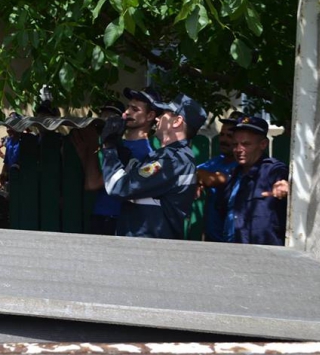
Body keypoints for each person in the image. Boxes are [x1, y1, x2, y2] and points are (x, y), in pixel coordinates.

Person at [101, 93, 207, 239]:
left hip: (148, 250)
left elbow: (120, 187)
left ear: (177, 122)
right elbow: (137, 181)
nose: (157, 118)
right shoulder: (172, 158)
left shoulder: (171, 161)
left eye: (163, 114)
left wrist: (109, 147)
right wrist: (119, 146)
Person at [71, 89, 159, 235]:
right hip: (101, 216)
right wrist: (85, 154)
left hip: (116, 221)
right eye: (128, 107)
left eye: (135, 109)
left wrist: (93, 146)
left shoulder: (143, 153)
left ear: (150, 116)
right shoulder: (118, 144)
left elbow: (93, 183)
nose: (127, 113)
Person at [217, 116, 289, 245]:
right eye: (235, 144)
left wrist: (285, 185)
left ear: (263, 144)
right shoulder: (234, 174)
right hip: (231, 251)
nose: (239, 149)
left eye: (246, 144)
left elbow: (282, 178)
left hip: (263, 256)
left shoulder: (272, 170)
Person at [196, 110, 245, 242]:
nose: (223, 139)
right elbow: (192, 172)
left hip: (234, 241)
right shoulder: (217, 161)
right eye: (222, 135)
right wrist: (197, 181)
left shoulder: (242, 166)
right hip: (212, 239)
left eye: (229, 136)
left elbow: (213, 179)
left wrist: (200, 179)